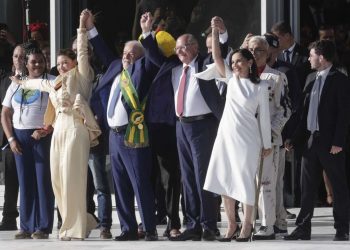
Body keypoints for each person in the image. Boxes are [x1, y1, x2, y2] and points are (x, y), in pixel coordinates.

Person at [11, 10, 101, 241]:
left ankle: (76, 228)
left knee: (73, 179)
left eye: (65, 62)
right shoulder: (56, 83)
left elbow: (82, 52)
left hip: (76, 128)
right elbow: (39, 84)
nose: (61, 66)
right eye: (59, 63)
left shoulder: (81, 76)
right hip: (59, 128)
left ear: (73, 63)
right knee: (58, 181)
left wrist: (82, 27)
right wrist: (19, 81)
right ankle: (84, 220)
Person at [142, 14, 228, 241]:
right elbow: (152, 54)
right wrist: (147, 32)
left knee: (203, 178)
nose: (179, 51)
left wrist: (221, 34)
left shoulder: (205, 63)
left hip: (203, 126)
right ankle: (193, 224)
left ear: (195, 46)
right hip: (181, 126)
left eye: (184, 47)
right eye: (177, 48)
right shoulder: (174, 67)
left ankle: (209, 224)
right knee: (187, 178)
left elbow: (222, 56)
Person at [85, 10, 159, 241]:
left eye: (132, 54)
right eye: (126, 53)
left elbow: (154, 58)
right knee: (120, 185)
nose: (127, 56)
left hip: (133, 134)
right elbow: (102, 50)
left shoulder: (143, 70)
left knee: (140, 184)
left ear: (140, 57)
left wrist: (147, 33)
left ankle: (149, 229)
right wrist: (89, 28)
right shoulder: (116, 67)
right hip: (114, 137)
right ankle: (127, 229)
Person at [200, 22, 272, 242]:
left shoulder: (260, 87)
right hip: (225, 136)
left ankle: (247, 225)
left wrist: (267, 144)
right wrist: (214, 30)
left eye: (239, 61)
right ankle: (231, 224)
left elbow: (265, 119)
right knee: (223, 179)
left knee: (244, 180)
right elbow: (218, 56)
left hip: (248, 138)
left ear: (250, 62)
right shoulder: (230, 81)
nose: (235, 65)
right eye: (234, 62)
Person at [284, 39, 350, 241]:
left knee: (338, 187)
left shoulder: (340, 79)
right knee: (307, 188)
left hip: (331, 143)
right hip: (310, 141)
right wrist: (294, 138)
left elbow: (344, 114)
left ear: (321, 57)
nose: (309, 59)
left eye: (312, 55)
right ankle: (303, 228)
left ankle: (342, 229)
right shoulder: (310, 78)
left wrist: (339, 141)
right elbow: (304, 114)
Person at [1, 41, 55, 239]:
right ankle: (25, 226)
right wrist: (11, 138)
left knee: (42, 182)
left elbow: (60, 110)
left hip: (42, 136)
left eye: (41, 62)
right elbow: (5, 114)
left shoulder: (51, 81)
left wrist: (46, 129)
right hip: (20, 138)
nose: (37, 65)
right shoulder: (18, 83)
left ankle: (43, 226)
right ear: (27, 63)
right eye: (33, 62)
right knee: (25, 182)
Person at [244, 35, 290, 240]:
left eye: (259, 50)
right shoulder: (243, 78)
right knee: (248, 183)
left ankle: (268, 225)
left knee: (267, 183)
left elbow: (286, 109)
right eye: (251, 50)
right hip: (246, 139)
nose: (254, 54)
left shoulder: (277, 77)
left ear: (268, 53)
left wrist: (270, 133)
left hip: (269, 141)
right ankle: (250, 221)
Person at [0, 44, 23, 231]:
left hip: (31, 137)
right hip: (9, 139)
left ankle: (32, 219)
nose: (18, 60)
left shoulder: (38, 78)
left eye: (22, 56)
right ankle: (8, 219)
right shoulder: (5, 80)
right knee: (10, 182)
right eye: (16, 56)